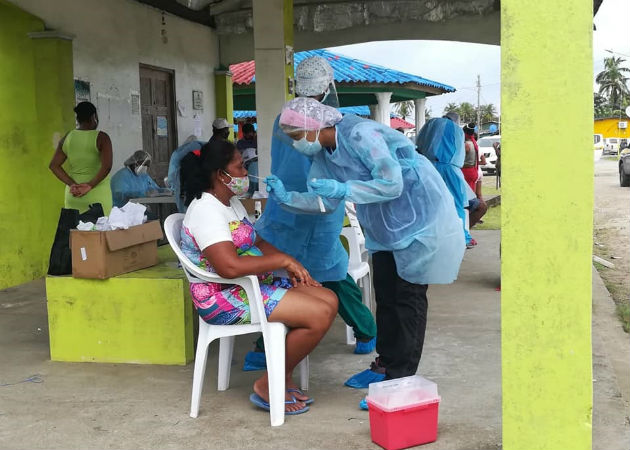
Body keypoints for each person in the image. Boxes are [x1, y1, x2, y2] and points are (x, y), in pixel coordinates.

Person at [265, 97, 465, 408]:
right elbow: (323, 202)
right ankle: (385, 363)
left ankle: (401, 380)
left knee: (408, 297)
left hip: (417, 216)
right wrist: (287, 197)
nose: (296, 144)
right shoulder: (323, 155)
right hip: (385, 226)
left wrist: (344, 189)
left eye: (296, 136)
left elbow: (391, 183)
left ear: (314, 126)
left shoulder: (360, 135)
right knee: (385, 293)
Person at [180, 138, 338, 415]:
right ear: (221, 175)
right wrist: (281, 261)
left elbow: (256, 242)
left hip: (248, 285)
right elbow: (227, 267)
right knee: (318, 314)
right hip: (223, 297)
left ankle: (281, 375)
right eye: (240, 167)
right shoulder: (206, 210)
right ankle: (269, 383)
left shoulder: (229, 203)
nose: (246, 174)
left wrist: (291, 264)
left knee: (329, 299)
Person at [253, 55, 377, 363]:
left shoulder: (283, 116)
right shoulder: (330, 120)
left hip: (287, 205)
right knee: (327, 273)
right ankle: (365, 331)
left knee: (291, 274)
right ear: (328, 87)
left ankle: (262, 347)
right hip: (318, 202)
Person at [417, 117, 476, 248]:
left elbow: (419, 143)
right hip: (451, 168)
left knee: (428, 202)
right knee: (457, 203)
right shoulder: (456, 130)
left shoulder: (431, 124)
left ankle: (429, 235)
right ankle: (462, 237)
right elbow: (459, 152)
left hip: (428, 166)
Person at [49, 101, 113, 214]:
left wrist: (71, 184)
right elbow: (107, 166)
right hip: (97, 197)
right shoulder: (102, 138)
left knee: (76, 230)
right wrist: (89, 185)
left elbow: (54, 165)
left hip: (73, 195)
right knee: (100, 231)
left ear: (78, 118)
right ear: (94, 117)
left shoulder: (68, 137)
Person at [461, 123, 488, 237]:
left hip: (467, 172)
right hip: (474, 172)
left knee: (466, 201)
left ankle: (467, 225)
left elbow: (459, 159)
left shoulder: (466, 145)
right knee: (474, 197)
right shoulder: (474, 143)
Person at [167, 136, 204, 213]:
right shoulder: (201, 150)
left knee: (186, 214)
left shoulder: (178, 154)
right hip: (197, 192)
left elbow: (172, 178)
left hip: (185, 191)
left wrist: (173, 187)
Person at [237, 123, 259, 195]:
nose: (250, 136)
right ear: (243, 134)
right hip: (245, 165)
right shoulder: (240, 143)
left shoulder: (257, 141)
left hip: (256, 164)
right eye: (248, 134)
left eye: (251, 134)